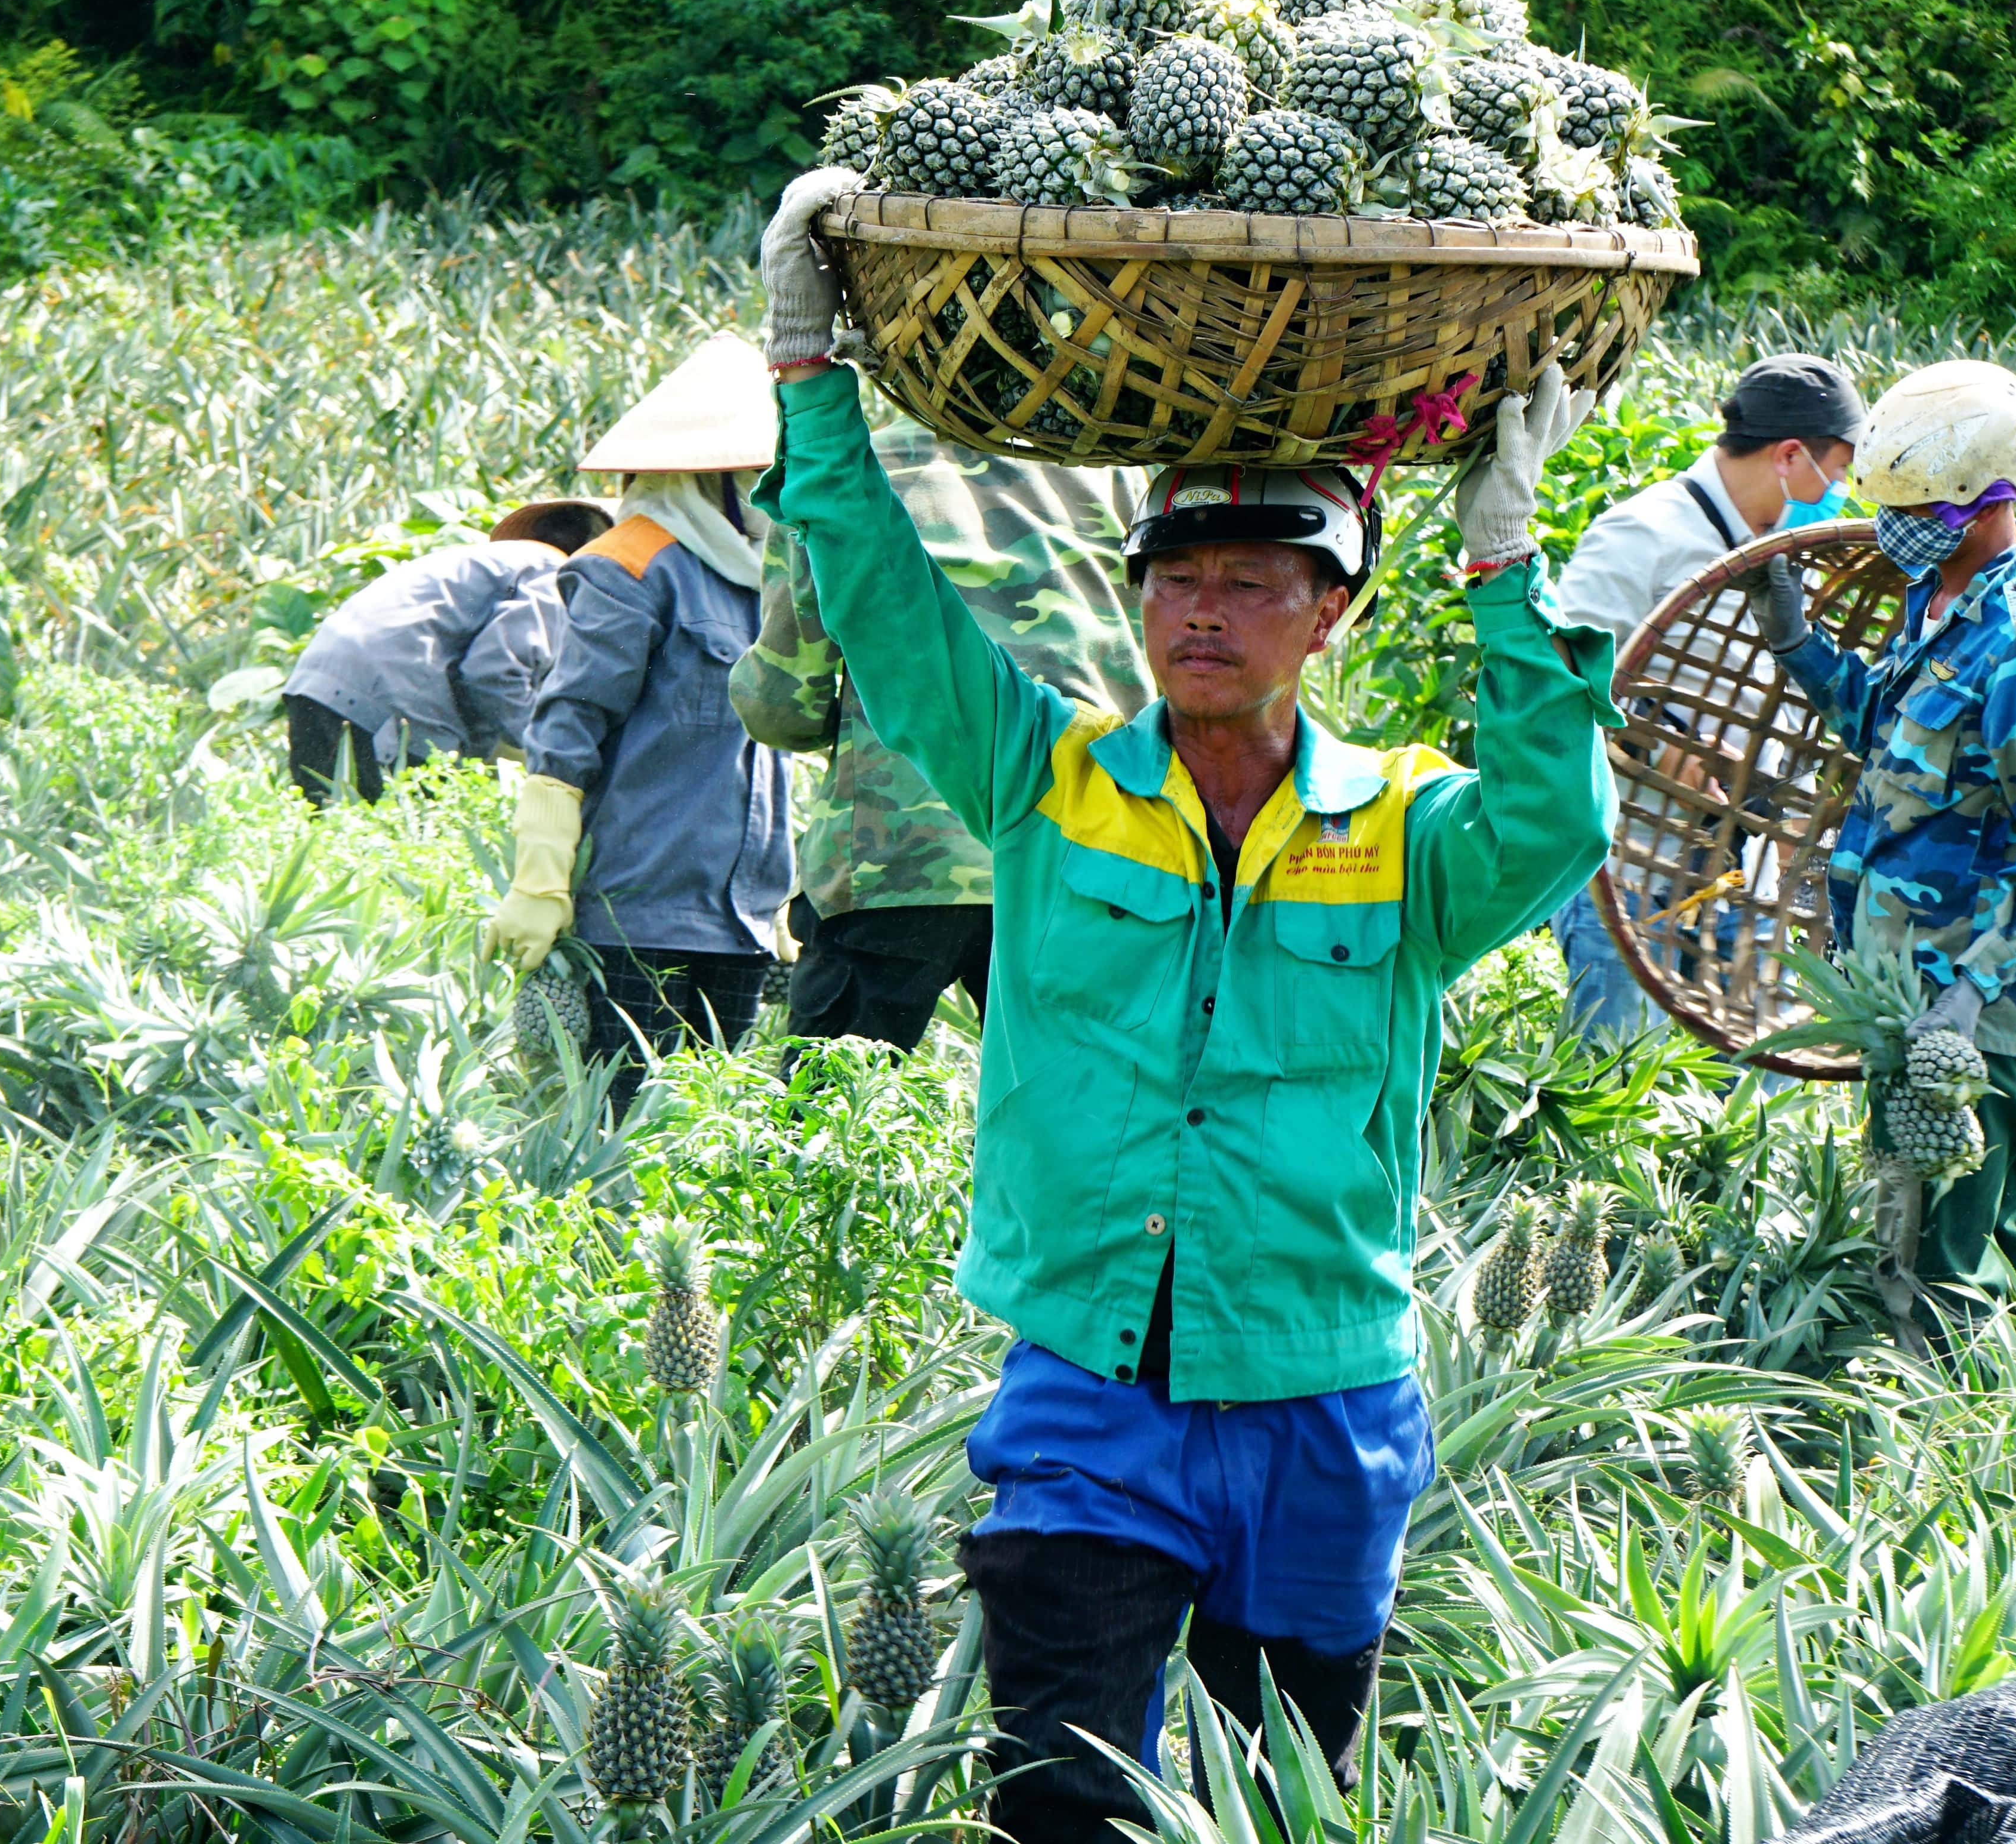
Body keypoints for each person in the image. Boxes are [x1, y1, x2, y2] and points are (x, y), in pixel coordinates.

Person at [750, 166, 1615, 1844]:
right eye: (1174, 576)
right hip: (1090, 1386)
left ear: (1337, 610)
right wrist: (808, 378)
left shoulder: (1414, 832)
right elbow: (884, 606)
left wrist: (1506, 561)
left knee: (1271, 1805)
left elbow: (1557, 817)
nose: (1202, 609)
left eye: (1254, 580)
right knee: (1062, 1799)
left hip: (1318, 1397)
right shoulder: (1046, 781)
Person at [1763, 358, 2016, 1297]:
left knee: (1950, 1253)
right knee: (1923, 1213)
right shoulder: (1939, 600)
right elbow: (1891, 734)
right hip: (1902, 978)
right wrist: (1802, 650)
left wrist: (1966, 994)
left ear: (1988, 499)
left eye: (1918, 508)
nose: (1893, 528)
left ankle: (1940, 1412)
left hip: (1970, 1011)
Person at [729, 424, 1143, 1049]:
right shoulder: (1115, 469)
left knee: (827, 1122)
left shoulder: (838, 472)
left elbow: (784, 705)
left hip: (894, 856)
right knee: (1075, 1122)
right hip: (1078, 848)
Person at [481, 335, 793, 1088]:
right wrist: (541, 881)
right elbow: (568, 724)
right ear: (706, 476)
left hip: (740, 924)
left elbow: (774, 751)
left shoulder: (770, 577)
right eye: (751, 472)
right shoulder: (631, 564)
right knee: (617, 1130)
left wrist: (783, 896)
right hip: (637, 916)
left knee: (702, 1143)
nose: (765, 487)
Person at [1546, 352, 1867, 1039]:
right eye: (1835, 472)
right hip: (1634, 879)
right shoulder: (1646, 535)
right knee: (1623, 1088)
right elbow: (1556, 679)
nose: (1838, 490)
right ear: (1789, 456)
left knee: (1735, 1111)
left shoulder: (1786, 555)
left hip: (1742, 891)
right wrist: (1655, 744)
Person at [279, 498, 609, 805]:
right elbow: (498, 673)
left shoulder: (480, 561)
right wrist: (552, 749)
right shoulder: (551, 571)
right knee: (405, 842)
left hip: (316, 688)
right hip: (387, 708)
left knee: (333, 837)